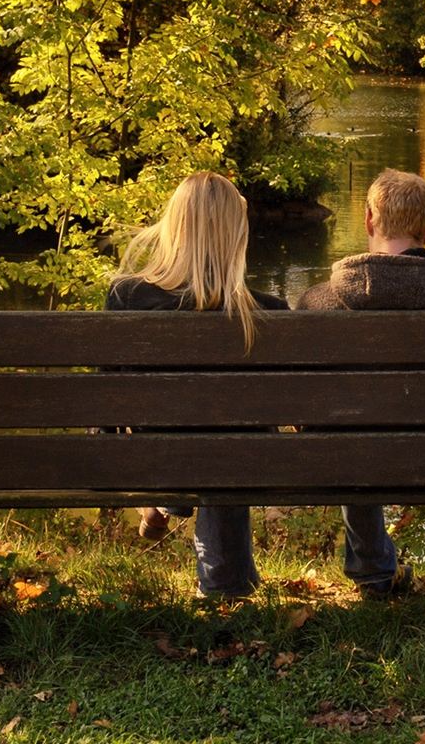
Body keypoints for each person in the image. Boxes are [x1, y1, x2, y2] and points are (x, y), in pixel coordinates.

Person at [296, 168, 425, 598]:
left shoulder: (317, 303)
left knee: (350, 433)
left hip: (339, 462)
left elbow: (302, 408)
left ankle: (372, 571)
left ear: (368, 221)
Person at [105, 171, 287, 598]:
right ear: (236, 236)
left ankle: (161, 501)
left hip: (158, 455)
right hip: (240, 462)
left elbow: (110, 398)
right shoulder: (268, 311)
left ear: (174, 227)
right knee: (231, 441)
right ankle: (225, 584)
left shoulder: (126, 298)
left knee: (196, 438)